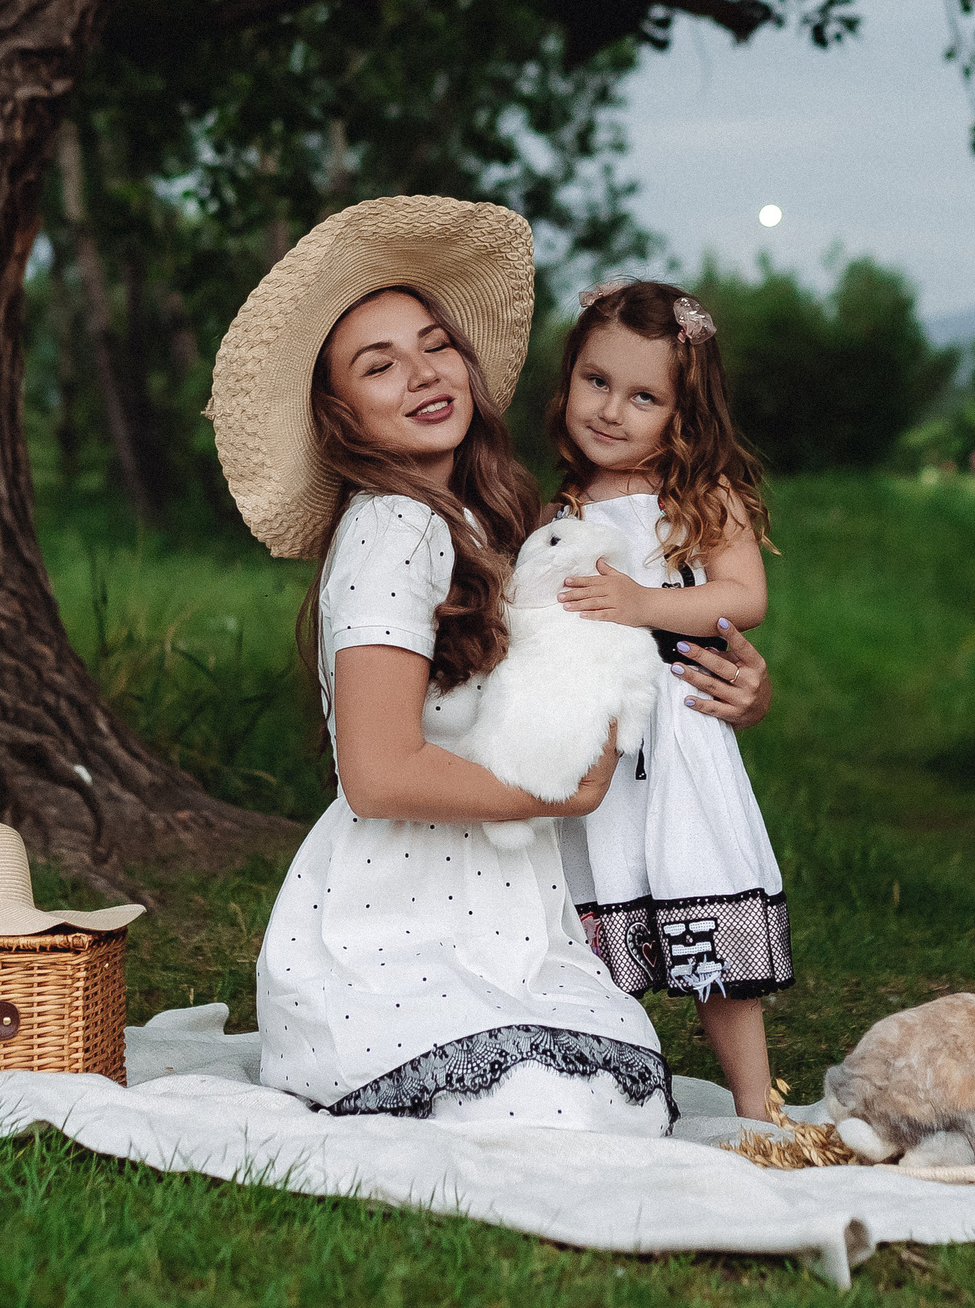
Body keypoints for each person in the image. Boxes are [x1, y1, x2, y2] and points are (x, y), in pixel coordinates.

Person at [204, 197, 776, 1135]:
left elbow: (607, 641)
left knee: (620, 1102)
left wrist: (731, 691)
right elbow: (380, 773)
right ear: (336, 411)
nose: (424, 374)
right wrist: (562, 792)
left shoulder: (483, 519)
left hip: (501, 898)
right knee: (555, 1114)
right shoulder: (392, 529)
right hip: (400, 911)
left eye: (435, 345)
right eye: (378, 365)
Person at [544, 279, 792, 1121]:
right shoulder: (560, 504)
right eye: (596, 382)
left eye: (644, 396)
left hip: (680, 738)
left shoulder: (700, 494)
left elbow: (743, 596)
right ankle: (622, 1083)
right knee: (606, 905)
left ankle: (756, 1099)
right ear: (568, 377)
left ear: (682, 412)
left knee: (698, 895)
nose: (612, 410)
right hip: (595, 744)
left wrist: (646, 604)